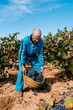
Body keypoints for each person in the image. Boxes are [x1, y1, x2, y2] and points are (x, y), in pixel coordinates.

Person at [15, 28, 45, 97]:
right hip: (24, 55)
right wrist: (22, 66)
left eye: (38, 38)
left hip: (33, 56)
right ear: (32, 35)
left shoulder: (41, 42)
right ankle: (19, 89)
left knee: (38, 69)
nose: (37, 40)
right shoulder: (25, 40)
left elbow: (41, 54)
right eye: (35, 39)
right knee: (21, 71)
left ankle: (40, 84)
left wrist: (42, 65)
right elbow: (22, 53)